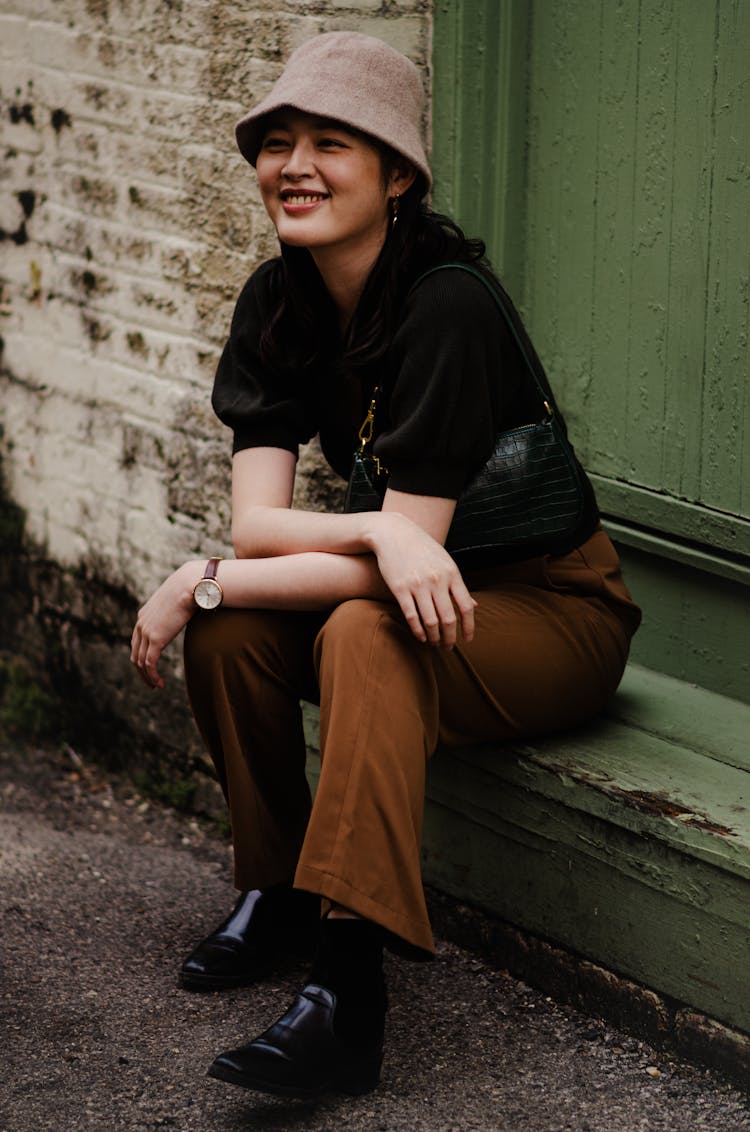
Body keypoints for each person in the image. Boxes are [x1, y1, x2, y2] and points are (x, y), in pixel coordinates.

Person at [130, 31, 641, 1101]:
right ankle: (276, 888)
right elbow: (267, 529)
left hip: (553, 607)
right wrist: (332, 542)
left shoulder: (448, 304)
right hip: (412, 579)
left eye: (331, 143)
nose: (294, 165)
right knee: (230, 624)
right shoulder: (275, 306)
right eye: (277, 141)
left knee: (361, 628)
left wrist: (208, 571)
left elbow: (379, 582)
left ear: (397, 174)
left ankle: (345, 990)